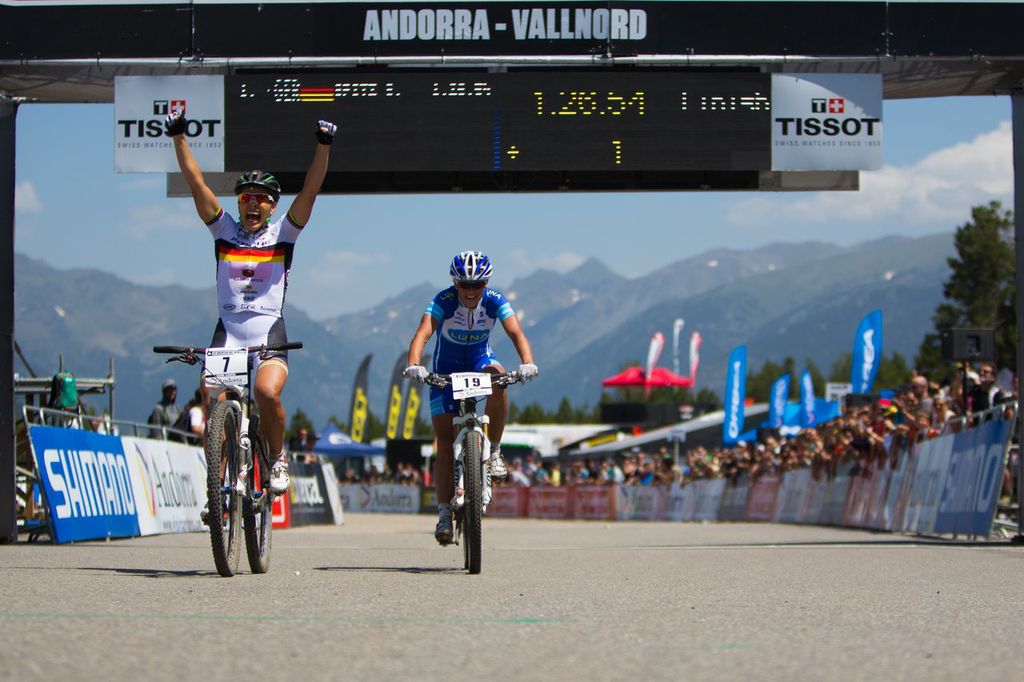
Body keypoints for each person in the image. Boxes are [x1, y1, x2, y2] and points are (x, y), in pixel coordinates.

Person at [166, 110, 336, 494]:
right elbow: (196, 184)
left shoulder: (283, 234)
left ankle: (277, 458)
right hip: (228, 330)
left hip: (267, 330)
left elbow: (309, 192)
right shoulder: (223, 230)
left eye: (262, 199)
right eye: (246, 198)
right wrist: (178, 137)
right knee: (213, 397)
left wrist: (323, 146)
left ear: (273, 206)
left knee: (267, 392)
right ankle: (218, 486)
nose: (253, 205)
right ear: (239, 203)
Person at [403, 251, 538, 545]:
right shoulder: (444, 300)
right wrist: (414, 364)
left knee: (500, 378)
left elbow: (516, 333)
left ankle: (495, 451)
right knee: (443, 442)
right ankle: (443, 513)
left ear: (486, 284)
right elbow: (423, 333)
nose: (471, 291)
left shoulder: (495, 300)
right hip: (446, 370)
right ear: (455, 283)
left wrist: (527, 362)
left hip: (479, 362)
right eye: (464, 284)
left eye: (478, 285)